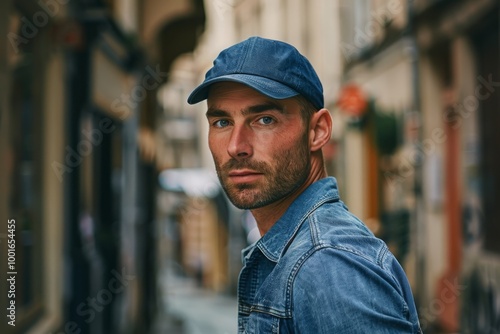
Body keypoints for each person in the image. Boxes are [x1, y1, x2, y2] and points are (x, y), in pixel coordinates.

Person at [187, 36, 422, 333]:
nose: (236, 146)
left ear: (318, 131)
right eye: (222, 122)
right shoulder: (294, 253)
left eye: (264, 120)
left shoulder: (328, 265)